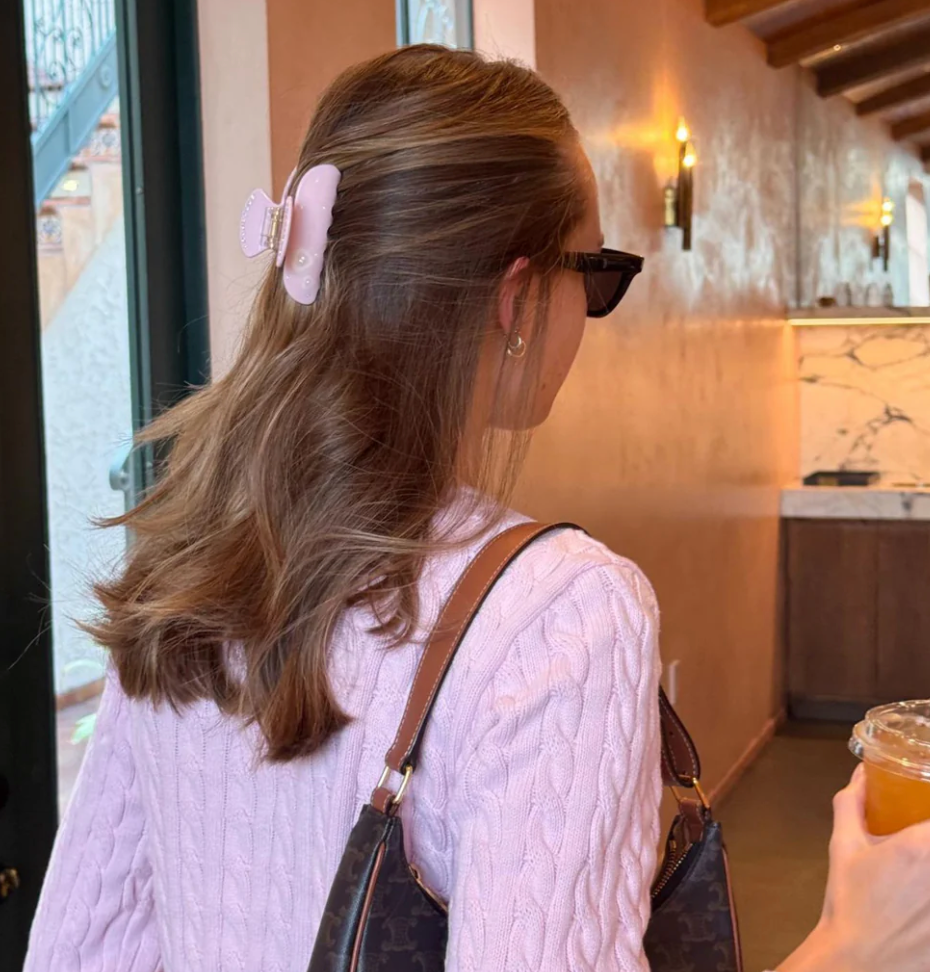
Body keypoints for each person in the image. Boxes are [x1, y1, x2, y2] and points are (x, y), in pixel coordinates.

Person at [25, 45, 930, 972]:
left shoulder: (184, 564)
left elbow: (76, 951)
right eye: (598, 272)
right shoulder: (559, 616)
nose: (591, 310)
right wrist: (856, 948)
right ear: (516, 296)